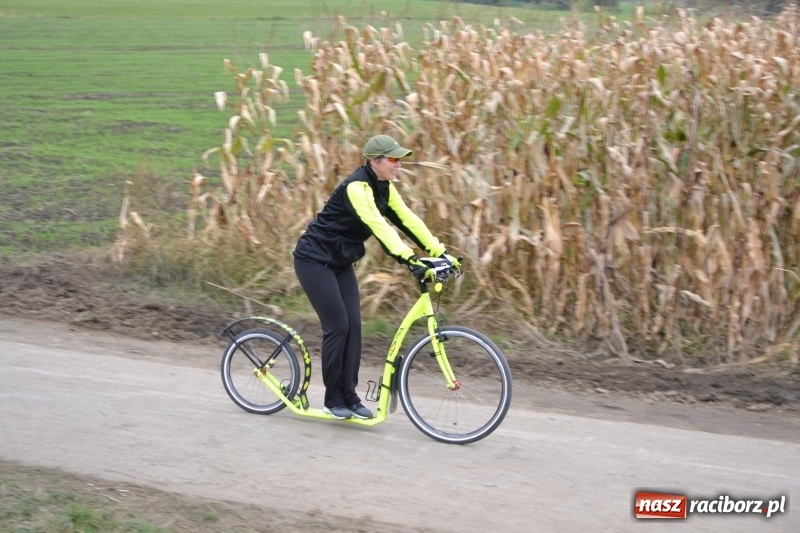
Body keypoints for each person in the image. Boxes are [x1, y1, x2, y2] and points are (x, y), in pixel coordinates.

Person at [293, 134, 461, 420]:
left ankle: (350, 396)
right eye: (394, 159)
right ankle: (333, 399)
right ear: (374, 162)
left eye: (399, 159)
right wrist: (409, 258)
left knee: (354, 326)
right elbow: (379, 226)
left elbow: (407, 220)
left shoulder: (384, 188)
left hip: (340, 262)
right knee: (338, 326)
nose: (399, 165)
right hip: (314, 260)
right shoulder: (357, 188)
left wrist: (440, 252)